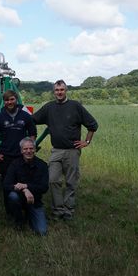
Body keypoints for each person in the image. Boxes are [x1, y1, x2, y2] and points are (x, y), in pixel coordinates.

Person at [32, 79, 98, 220]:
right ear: (54, 92)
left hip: (72, 151)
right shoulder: (49, 107)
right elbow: (32, 119)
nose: (59, 92)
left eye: (62, 90)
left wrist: (86, 141)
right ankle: (58, 209)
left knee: (70, 182)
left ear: (66, 90)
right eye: (57, 90)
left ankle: (68, 210)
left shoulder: (75, 106)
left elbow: (93, 125)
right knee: (53, 179)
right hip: (56, 151)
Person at [0, 90, 37, 215]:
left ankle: (26, 208)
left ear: (16, 99)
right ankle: (9, 212)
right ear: (4, 102)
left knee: (24, 182)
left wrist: (30, 149)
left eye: (12, 99)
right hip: (6, 157)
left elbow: (33, 133)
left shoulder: (25, 115)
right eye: (7, 100)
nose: (9, 102)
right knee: (7, 184)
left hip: (22, 156)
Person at [3, 137, 49, 235]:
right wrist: (25, 190)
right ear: (21, 151)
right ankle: (18, 221)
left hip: (35, 201)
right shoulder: (14, 164)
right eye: (25, 149)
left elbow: (44, 188)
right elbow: (6, 185)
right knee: (12, 196)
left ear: (35, 149)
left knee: (42, 231)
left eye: (31, 148)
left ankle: (29, 214)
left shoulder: (42, 165)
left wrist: (26, 185)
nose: (28, 151)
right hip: (19, 198)